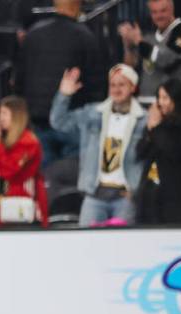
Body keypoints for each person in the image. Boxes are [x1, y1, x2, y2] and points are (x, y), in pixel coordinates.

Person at [50, 64, 148, 226]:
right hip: (94, 194)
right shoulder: (93, 113)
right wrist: (63, 95)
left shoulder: (144, 119)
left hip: (125, 197)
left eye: (122, 84)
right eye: (113, 85)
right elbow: (59, 122)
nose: (116, 89)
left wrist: (138, 190)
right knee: (88, 246)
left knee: (122, 248)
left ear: (133, 87)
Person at [15, 0, 103, 164]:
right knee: (71, 181)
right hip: (71, 124)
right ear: (77, 5)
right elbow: (96, 85)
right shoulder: (85, 36)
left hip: (38, 122)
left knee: (46, 181)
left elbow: (19, 81)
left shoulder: (33, 34)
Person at [136, 80, 181, 223]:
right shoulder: (156, 123)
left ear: (176, 99)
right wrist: (149, 131)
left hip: (175, 193)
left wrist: (156, 128)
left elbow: (174, 151)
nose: (160, 103)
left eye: (165, 98)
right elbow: (139, 152)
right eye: (159, 98)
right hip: (149, 191)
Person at [0, 96, 49, 228]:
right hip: (0, 209)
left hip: (22, 209)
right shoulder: (1, 143)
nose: (0, 118)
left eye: (4, 113)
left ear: (17, 116)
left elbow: (9, 171)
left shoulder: (28, 142)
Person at [119, 0, 181, 105]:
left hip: (174, 104)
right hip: (144, 101)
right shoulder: (147, 36)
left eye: (163, 11)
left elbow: (166, 60)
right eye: (154, 12)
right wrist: (127, 45)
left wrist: (139, 42)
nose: (159, 16)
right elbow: (130, 66)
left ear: (172, 10)